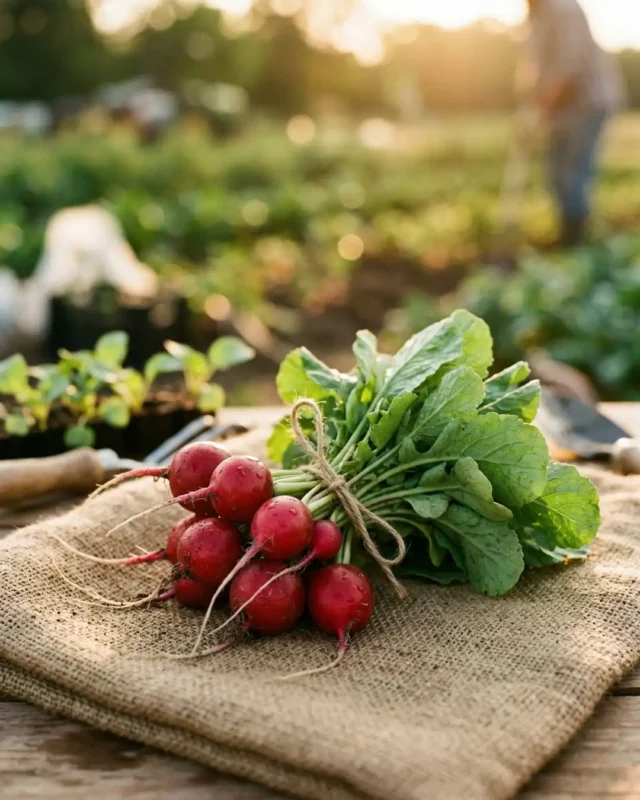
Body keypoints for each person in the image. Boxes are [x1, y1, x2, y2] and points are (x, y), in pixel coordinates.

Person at [519, 0, 624, 246]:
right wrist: (531, 101)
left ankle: (576, 242)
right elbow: (535, 65)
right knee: (556, 176)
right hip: (560, 109)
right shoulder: (537, 15)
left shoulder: (564, 8)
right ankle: (568, 233)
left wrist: (544, 102)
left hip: (586, 103)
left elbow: (569, 67)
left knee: (573, 175)